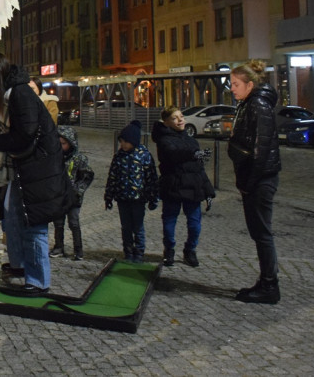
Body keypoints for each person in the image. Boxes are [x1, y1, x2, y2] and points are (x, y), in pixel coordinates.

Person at [0, 52, 73, 293]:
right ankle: (23, 269)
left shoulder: (20, 94)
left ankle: (39, 281)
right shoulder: (16, 93)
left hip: (37, 170)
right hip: (30, 169)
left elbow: (24, 136)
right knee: (15, 216)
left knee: (34, 223)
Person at [228, 60, 282, 304]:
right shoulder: (248, 103)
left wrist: (249, 182)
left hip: (259, 180)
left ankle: (270, 286)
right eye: (231, 83)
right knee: (259, 233)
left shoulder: (257, 105)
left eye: (236, 84)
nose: (232, 88)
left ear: (250, 85)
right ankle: (266, 281)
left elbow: (260, 150)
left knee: (262, 234)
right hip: (253, 178)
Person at [152, 107, 216, 267]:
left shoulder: (191, 139)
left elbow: (199, 168)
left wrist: (208, 189)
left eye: (181, 116)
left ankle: (190, 250)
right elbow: (174, 154)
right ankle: (169, 250)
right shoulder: (164, 139)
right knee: (169, 222)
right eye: (175, 118)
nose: (180, 120)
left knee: (194, 223)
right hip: (173, 186)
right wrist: (194, 154)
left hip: (192, 187)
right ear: (166, 122)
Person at [103, 120, 159, 263]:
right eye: (121, 141)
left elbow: (151, 178)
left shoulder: (144, 155)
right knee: (126, 227)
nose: (123, 145)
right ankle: (128, 252)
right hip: (122, 198)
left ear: (133, 141)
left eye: (125, 142)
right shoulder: (119, 157)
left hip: (138, 199)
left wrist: (153, 197)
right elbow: (112, 177)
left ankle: (139, 252)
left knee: (138, 227)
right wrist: (108, 196)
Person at [50, 125, 94, 260]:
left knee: (74, 223)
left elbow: (86, 176)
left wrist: (77, 191)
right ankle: (58, 246)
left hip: (73, 198)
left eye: (63, 143)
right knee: (58, 223)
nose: (60, 146)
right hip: (58, 196)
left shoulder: (79, 159)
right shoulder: (54, 157)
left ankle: (78, 249)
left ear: (71, 143)